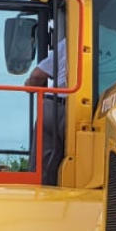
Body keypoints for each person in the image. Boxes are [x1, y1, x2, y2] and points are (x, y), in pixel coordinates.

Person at [25, 39, 66, 182]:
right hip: (92, 109)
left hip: (54, 105)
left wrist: (29, 85)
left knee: (42, 170)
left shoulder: (72, 41)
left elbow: (37, 76)